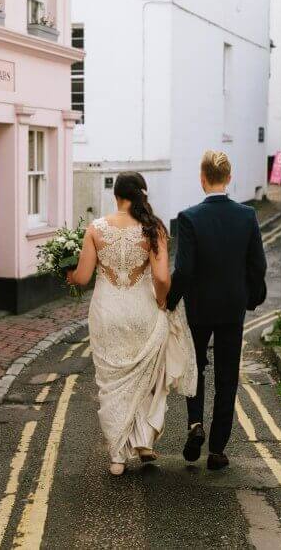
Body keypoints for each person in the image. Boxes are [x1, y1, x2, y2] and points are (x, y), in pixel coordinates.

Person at [67, 172, 197, 476]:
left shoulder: (95, 230)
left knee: (111, 383)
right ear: (141, 195)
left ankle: (117, 456)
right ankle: (143, 441)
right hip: (143, 310)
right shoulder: (154, 229)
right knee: (146, 377)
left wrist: (68, 276)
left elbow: (83, 278)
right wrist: (162, 300)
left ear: (116, 196)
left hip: (107, 312)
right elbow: (163, 277)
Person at [166, 151, 268, 471]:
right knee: (227, 376)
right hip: (232, 308)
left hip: (198, 308)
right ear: (229, 177)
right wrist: (251, 299)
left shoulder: (189, 217)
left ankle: (195, 423)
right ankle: (218, 449)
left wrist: (170, 302)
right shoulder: (247, 216)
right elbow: (258, 266)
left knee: (195, 368)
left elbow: (183, 270)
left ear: (202, 177)